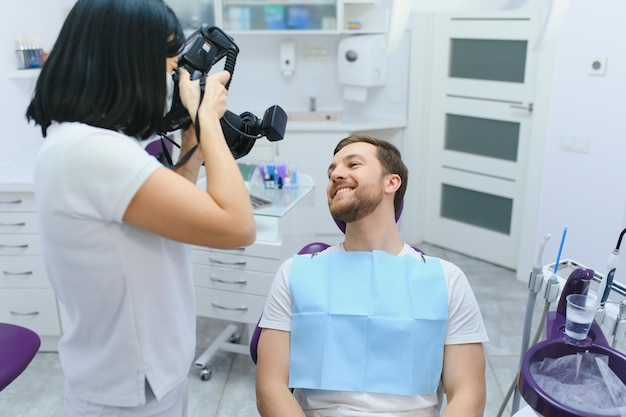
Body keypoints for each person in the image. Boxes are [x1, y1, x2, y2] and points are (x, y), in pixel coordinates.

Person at [25, 0, 256, 415]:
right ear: (128, 62)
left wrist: (191, 141)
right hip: (129, 387)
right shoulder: (93, 152)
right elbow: (237, 225)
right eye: (170, 69)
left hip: (137, 374)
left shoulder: (83, 144)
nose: (172, 81)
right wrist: (207, 120)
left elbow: (167, 215)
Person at [255, 134, 488, 417]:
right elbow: (270, 387)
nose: (336, 174)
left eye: (353, 164)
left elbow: (469, 394)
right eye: (332, 172)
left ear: (392, 182)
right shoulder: (295, 272)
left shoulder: (446, 279)